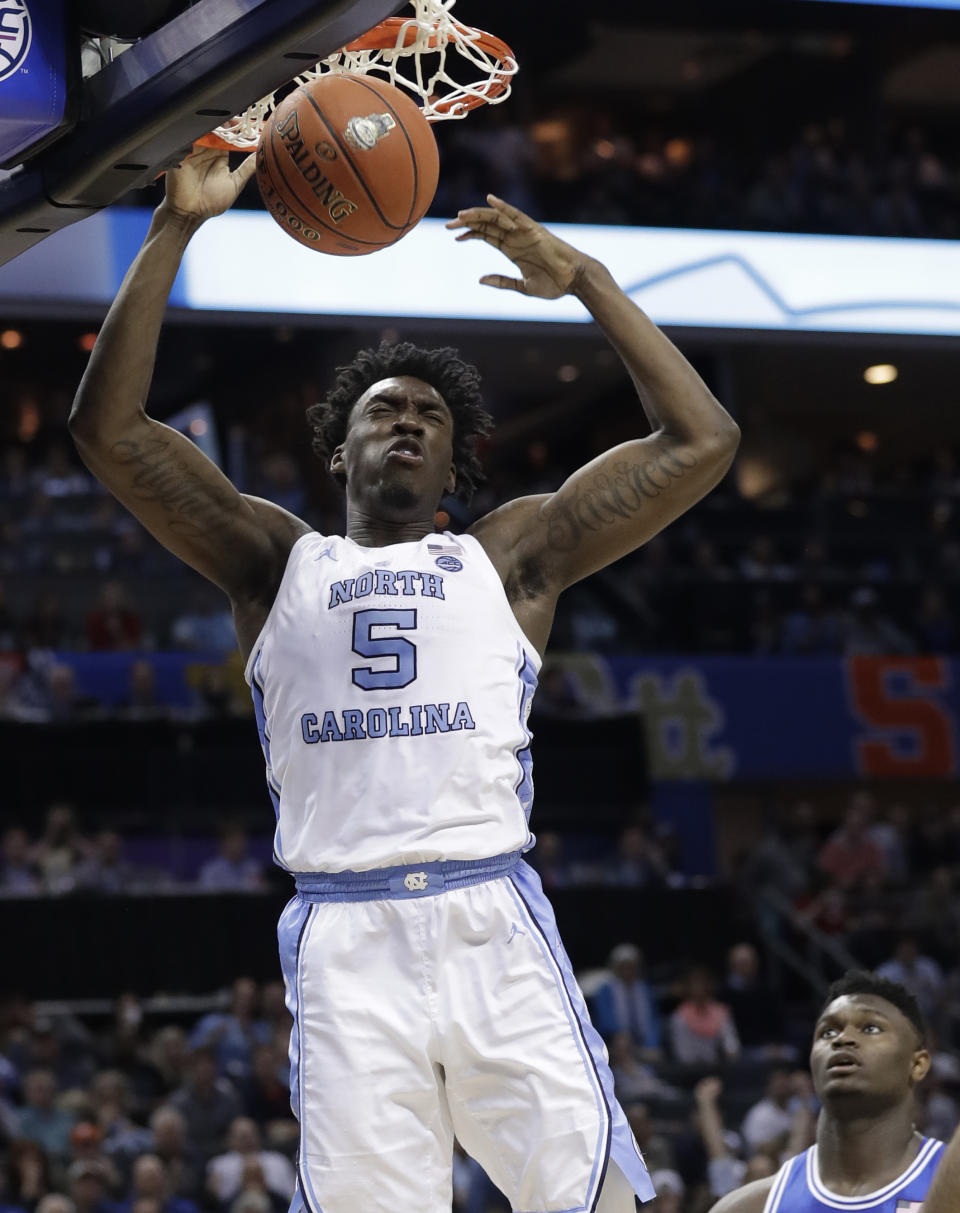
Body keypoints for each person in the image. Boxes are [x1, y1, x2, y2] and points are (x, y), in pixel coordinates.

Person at [68, 146, 740, 1213]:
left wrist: (590, 284)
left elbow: (704, 439)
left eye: (429, 414)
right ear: (338, 451)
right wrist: (174, 228)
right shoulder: (274, 563)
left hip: (487, 915)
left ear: (453, 463)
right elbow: (108, 432)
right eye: (384, 409)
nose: (409, 421)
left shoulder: (506, 558)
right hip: (345, 937)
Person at [708, 969, 945, 1211]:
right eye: (828, 1031)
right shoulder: (746, 1207)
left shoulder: (950, 1187)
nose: (842, 1039)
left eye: (871, 1028)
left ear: (917, 1064)